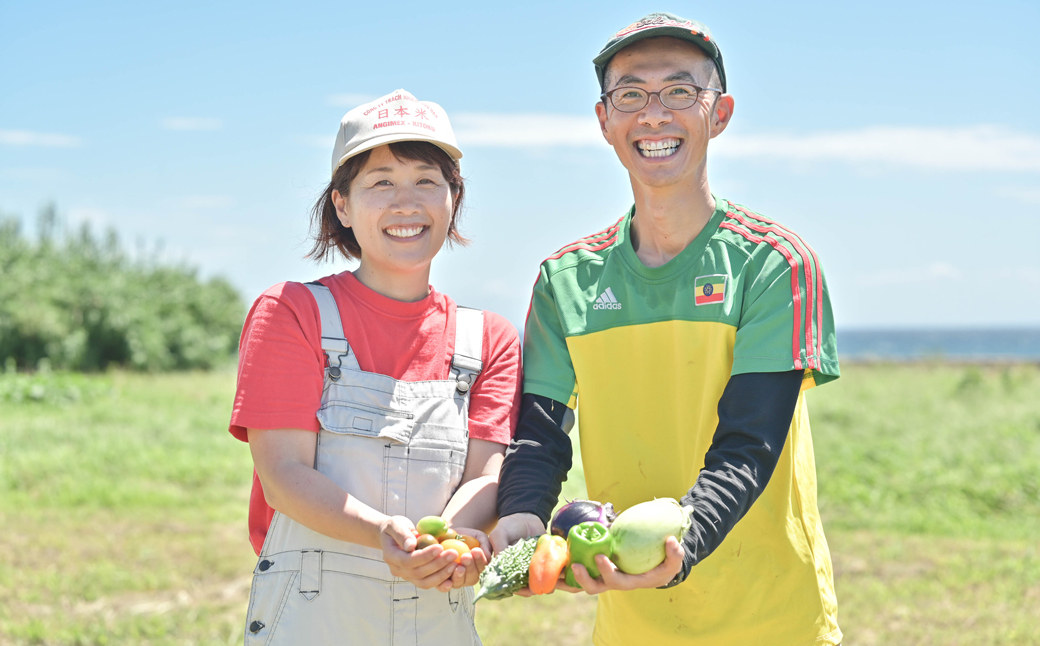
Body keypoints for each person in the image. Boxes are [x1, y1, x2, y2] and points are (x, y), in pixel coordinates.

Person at [490, 12, 843, 646]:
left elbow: (750, 443)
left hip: (773, 617)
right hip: (631, 623)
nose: (654, 115)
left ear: (721, 112)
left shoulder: (774, 263)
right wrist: (521, 515)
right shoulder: (564, 281)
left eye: (680, 92)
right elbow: (540, 436)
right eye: (630, 95)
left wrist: (684, 544)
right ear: (604, 121)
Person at [229, 89, 521, 645]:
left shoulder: (491, 339)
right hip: (313, 616)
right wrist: (383, 532)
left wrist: (451, 540)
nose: (406, 202)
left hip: (438, 605)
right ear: (341, 204)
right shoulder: (292, 312)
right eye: (381, 182)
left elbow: (486, 475)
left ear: (453, 197)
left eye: (426, 180)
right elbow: (284, 476)